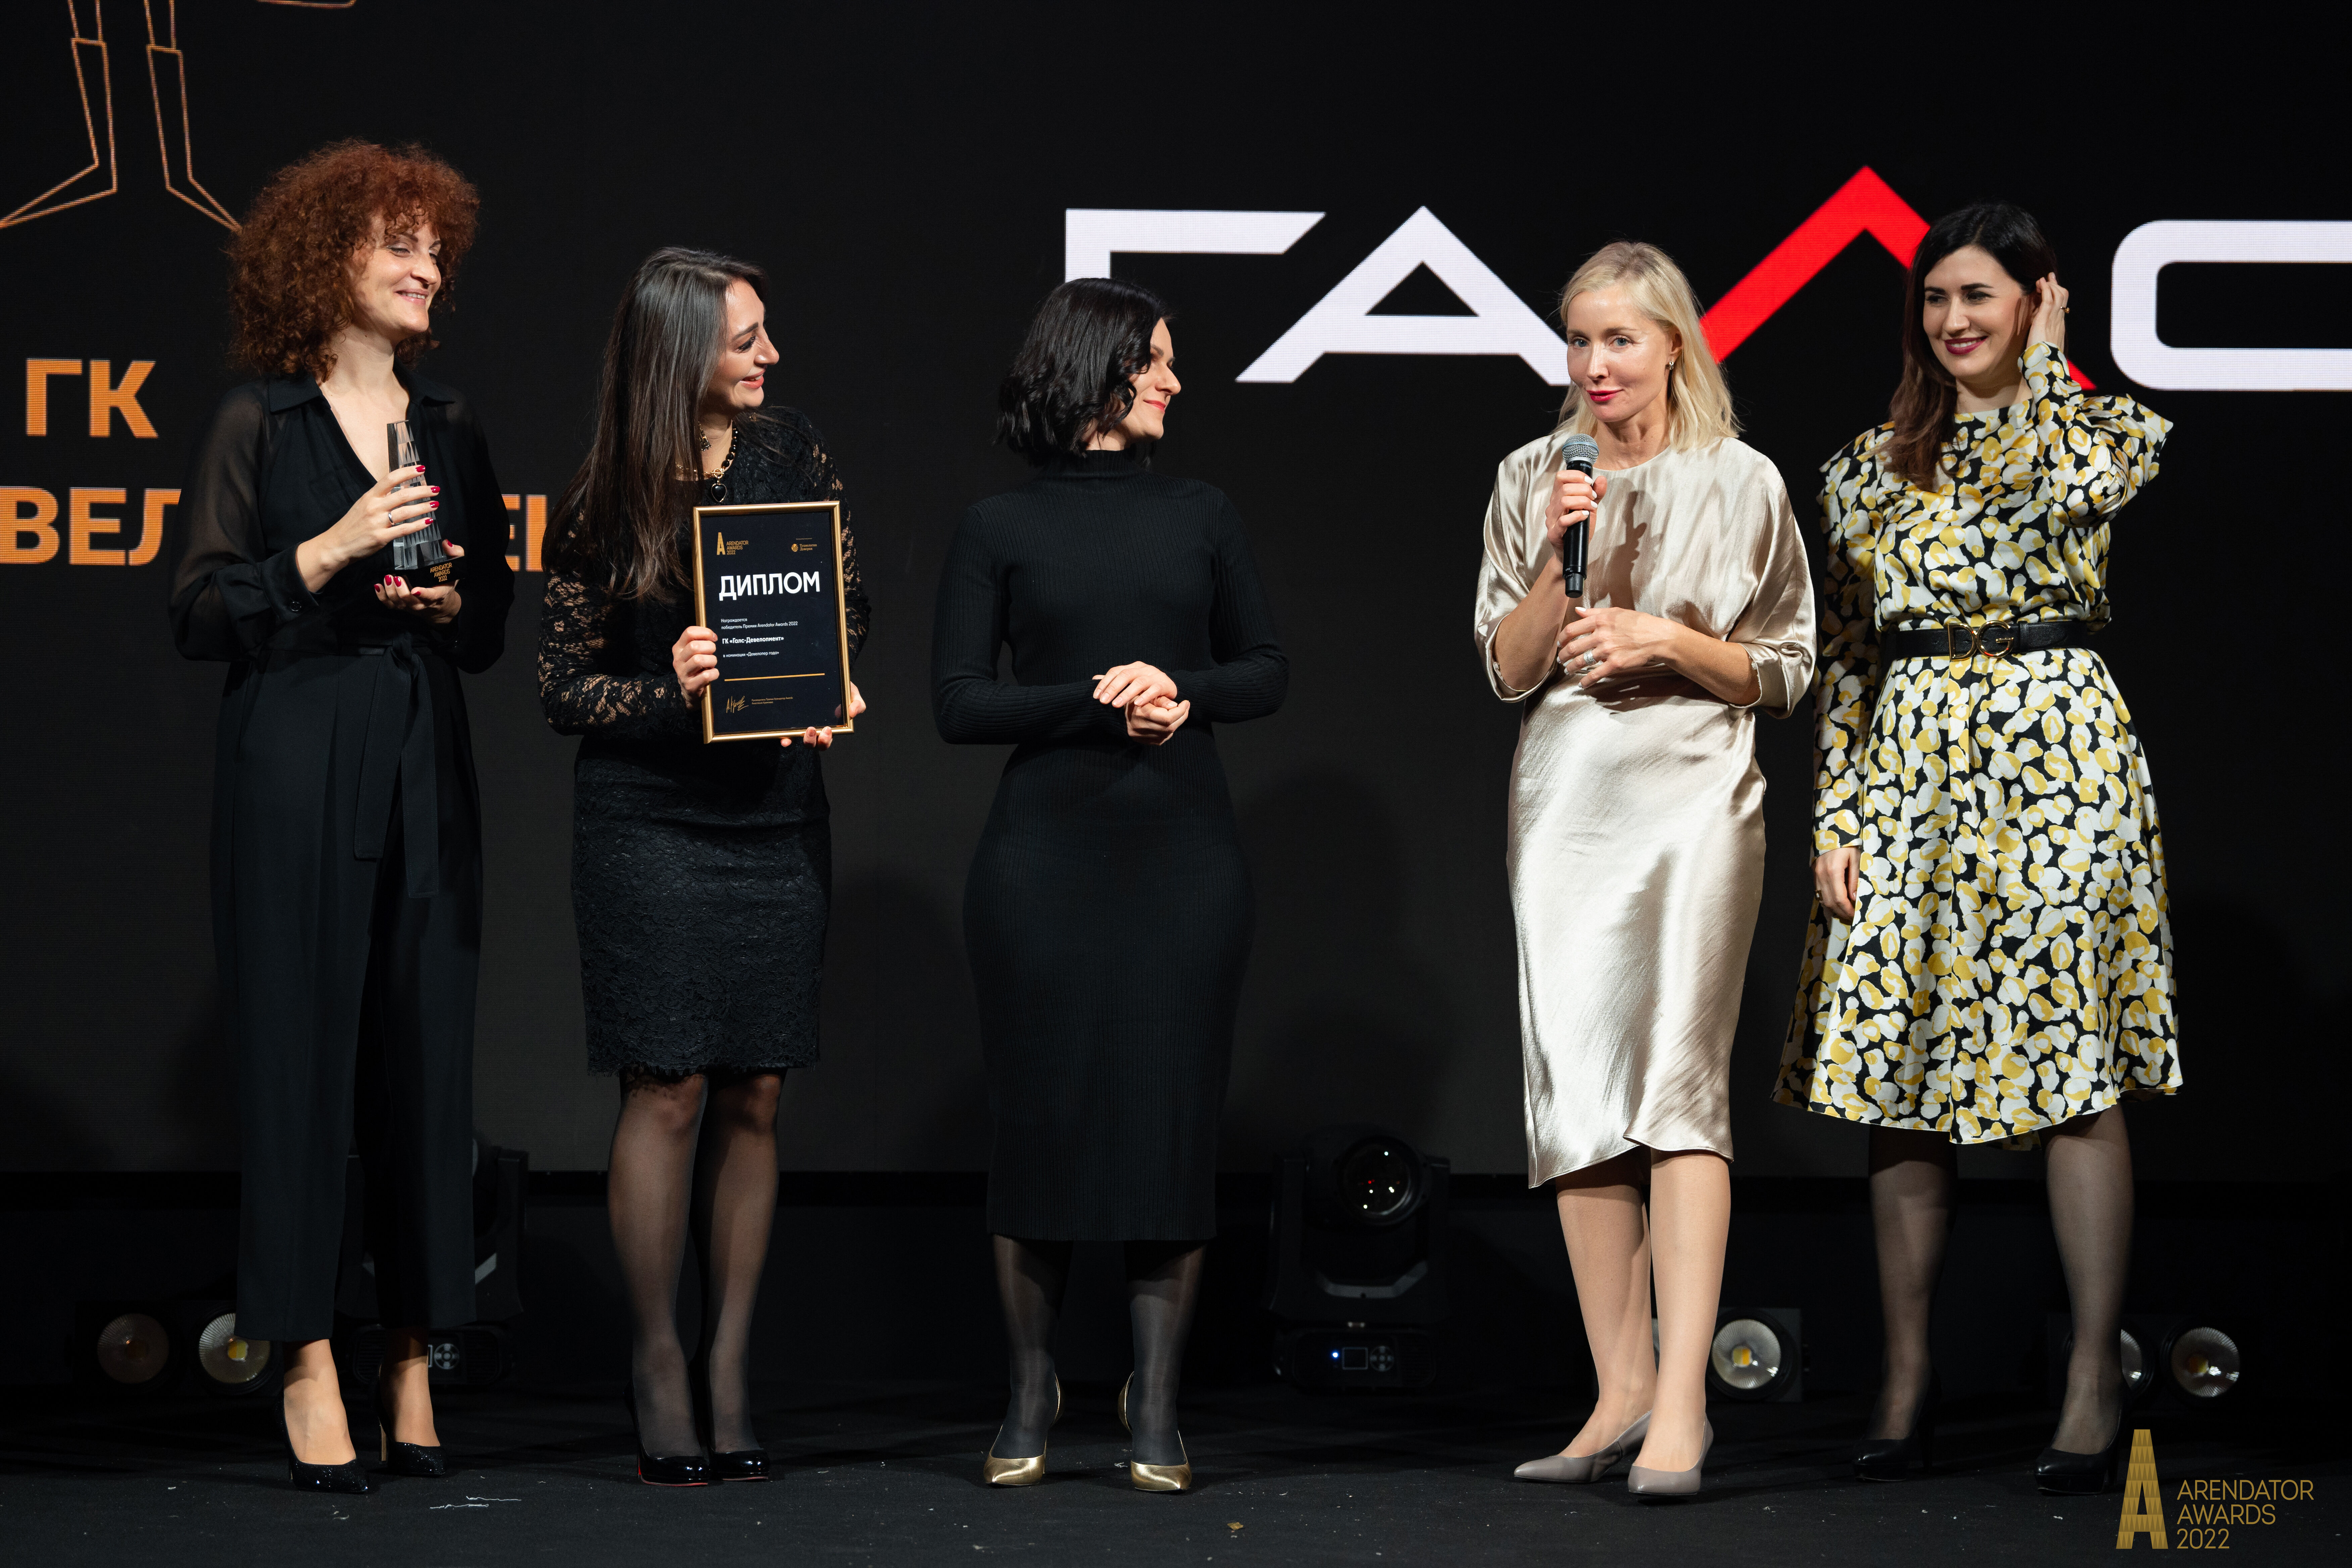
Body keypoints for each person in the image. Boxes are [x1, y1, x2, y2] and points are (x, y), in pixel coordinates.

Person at [1776, 201, 2179, 1496]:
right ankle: (1906, 1380)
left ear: (2037, 301)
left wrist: (2053, 368)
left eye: (1982, 297)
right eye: (1936, 298)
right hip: (1906, 764)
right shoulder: (1864, 465)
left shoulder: (2104, 432)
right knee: (1897, 1071)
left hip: (2059, 751)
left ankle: (2091, 1378)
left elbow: (2067, 493)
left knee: (2073, 1063)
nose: (1954, 320)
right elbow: (1846, 653)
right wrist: (1838, 814)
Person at [170, 141, 512, 1493]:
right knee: (299, 1058)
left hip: (423, 748)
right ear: (327, 262)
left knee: (425, 1058)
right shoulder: (260, 421)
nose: (428, 268)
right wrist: (329, 549)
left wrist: (451, 602)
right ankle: (306, 1352)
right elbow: (200, 610)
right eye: (398, 245)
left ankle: (413, 1352)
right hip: (296, 756)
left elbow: (488, 626)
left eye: (436, 248)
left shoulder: (454, 423)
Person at [931, 279, 1286, 1493]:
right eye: (1158, 361)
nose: (1177, 381)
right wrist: (1095, 698)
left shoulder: (1202, 511)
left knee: (1169, 1126)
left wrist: (1182, 690)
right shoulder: (999, 525)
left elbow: (1266, 668)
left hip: (1184, 863)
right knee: (1039, 1124)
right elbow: (959, 703)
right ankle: (1031, 1387)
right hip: (1043, 865)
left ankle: (1158, 1401)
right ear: (1096, 368)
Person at [1478, 242, 1816, 1499]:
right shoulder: (1533, 474)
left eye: (1620, 338)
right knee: (1577, 1094)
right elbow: (1507, 666)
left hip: (1692, 795)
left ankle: (1684, 1407)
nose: (1596, 364)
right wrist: (1552, 558)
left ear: (1675, 343)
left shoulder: (1742, 480)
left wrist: (1669, 641)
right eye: (1580, 340)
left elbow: (1787, 668)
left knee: (1677, 1089)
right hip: (1566, 796)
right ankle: (1618, 1389)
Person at [538, 248, 868, 1487]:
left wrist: (834, 681)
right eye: (747, 339)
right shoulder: (601, 497)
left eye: (767, 334)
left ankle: (731, 1363)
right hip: (648, 821)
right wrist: (668, 689)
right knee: (668, 1085)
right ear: (682, 353)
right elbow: (563, 690)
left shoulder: (795, 454)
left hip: (775, 816)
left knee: (756, 1093)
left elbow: (846, 607)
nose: (771, 356)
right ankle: (659, 1362)